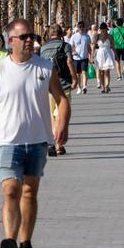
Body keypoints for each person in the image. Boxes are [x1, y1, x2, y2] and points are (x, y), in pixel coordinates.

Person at [0, 19, 71, 248]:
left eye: (32, 36)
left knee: (29, 192)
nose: (30, 40)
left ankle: (25, 244)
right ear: (11, 41)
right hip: (7, 141)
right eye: (25, 37)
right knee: (11, 190)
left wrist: (63, 124)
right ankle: (9, 241)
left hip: (38, 139)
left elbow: (61, 98)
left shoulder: (44, 67)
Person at [40, 24, 77, 156]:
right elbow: (69, 62)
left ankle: (53, 142)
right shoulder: (65, 45)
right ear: (61, 34)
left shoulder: (43, 48)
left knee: (52, 115)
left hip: (47, 85)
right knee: (61, 114)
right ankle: (58, 145)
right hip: (63, 84)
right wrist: (75, 78)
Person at [69, 21, 92, 95]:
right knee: (78, 74)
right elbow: (71, 46)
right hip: (76, 58)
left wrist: (91, 56)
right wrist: (73, 51)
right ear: (78, 28)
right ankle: (79, 87)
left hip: (84, 57)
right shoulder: (74, 36)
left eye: (82, 27)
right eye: (80, 27)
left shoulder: (87, 36)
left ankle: (84, 86)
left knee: (84, 72)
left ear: (84, 27)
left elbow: (89, 47)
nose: (81, 28)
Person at [93, 22, 116, 93]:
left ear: (106, 29)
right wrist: (91, 56)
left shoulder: (110, 37)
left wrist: (116, 55)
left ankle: (107, 86)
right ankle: (103, 87)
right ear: (100, 29)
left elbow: (113, 46)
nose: (104, 31)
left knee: (107, 71)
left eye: (105, 30)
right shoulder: (97, 36)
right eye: (102, 30)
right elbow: (93, 46)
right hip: (99, 55)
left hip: (108, 54)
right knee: (101, 72)